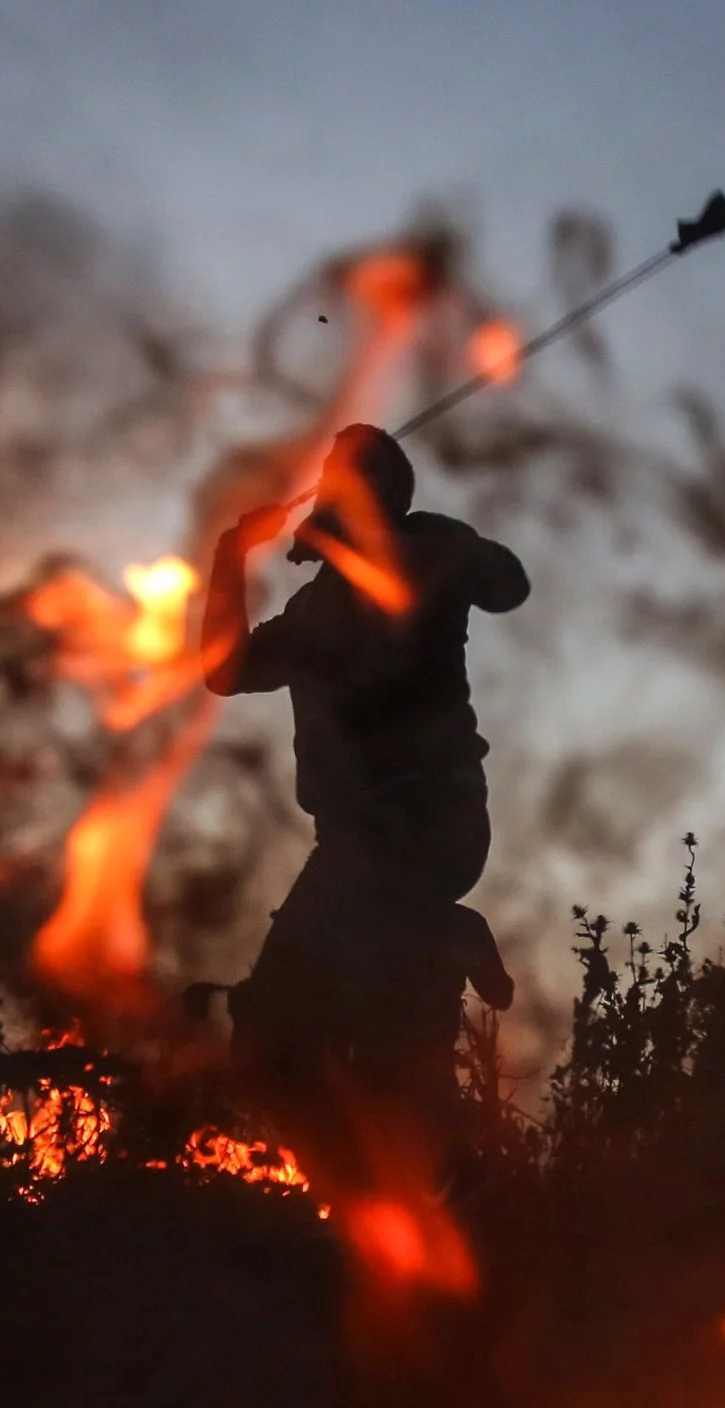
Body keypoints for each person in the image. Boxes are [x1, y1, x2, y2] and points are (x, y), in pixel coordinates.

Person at [200, 424, 526, 1192]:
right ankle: (375, 1211)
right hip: (356, 849)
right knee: (304, 1047)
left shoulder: (428, 551)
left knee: (338, 1042)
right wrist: (229, 556)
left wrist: (364, 543)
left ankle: (402, 1211)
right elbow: (223, 671)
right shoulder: (314, 616)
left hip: (428, 824)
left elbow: (508, 584)